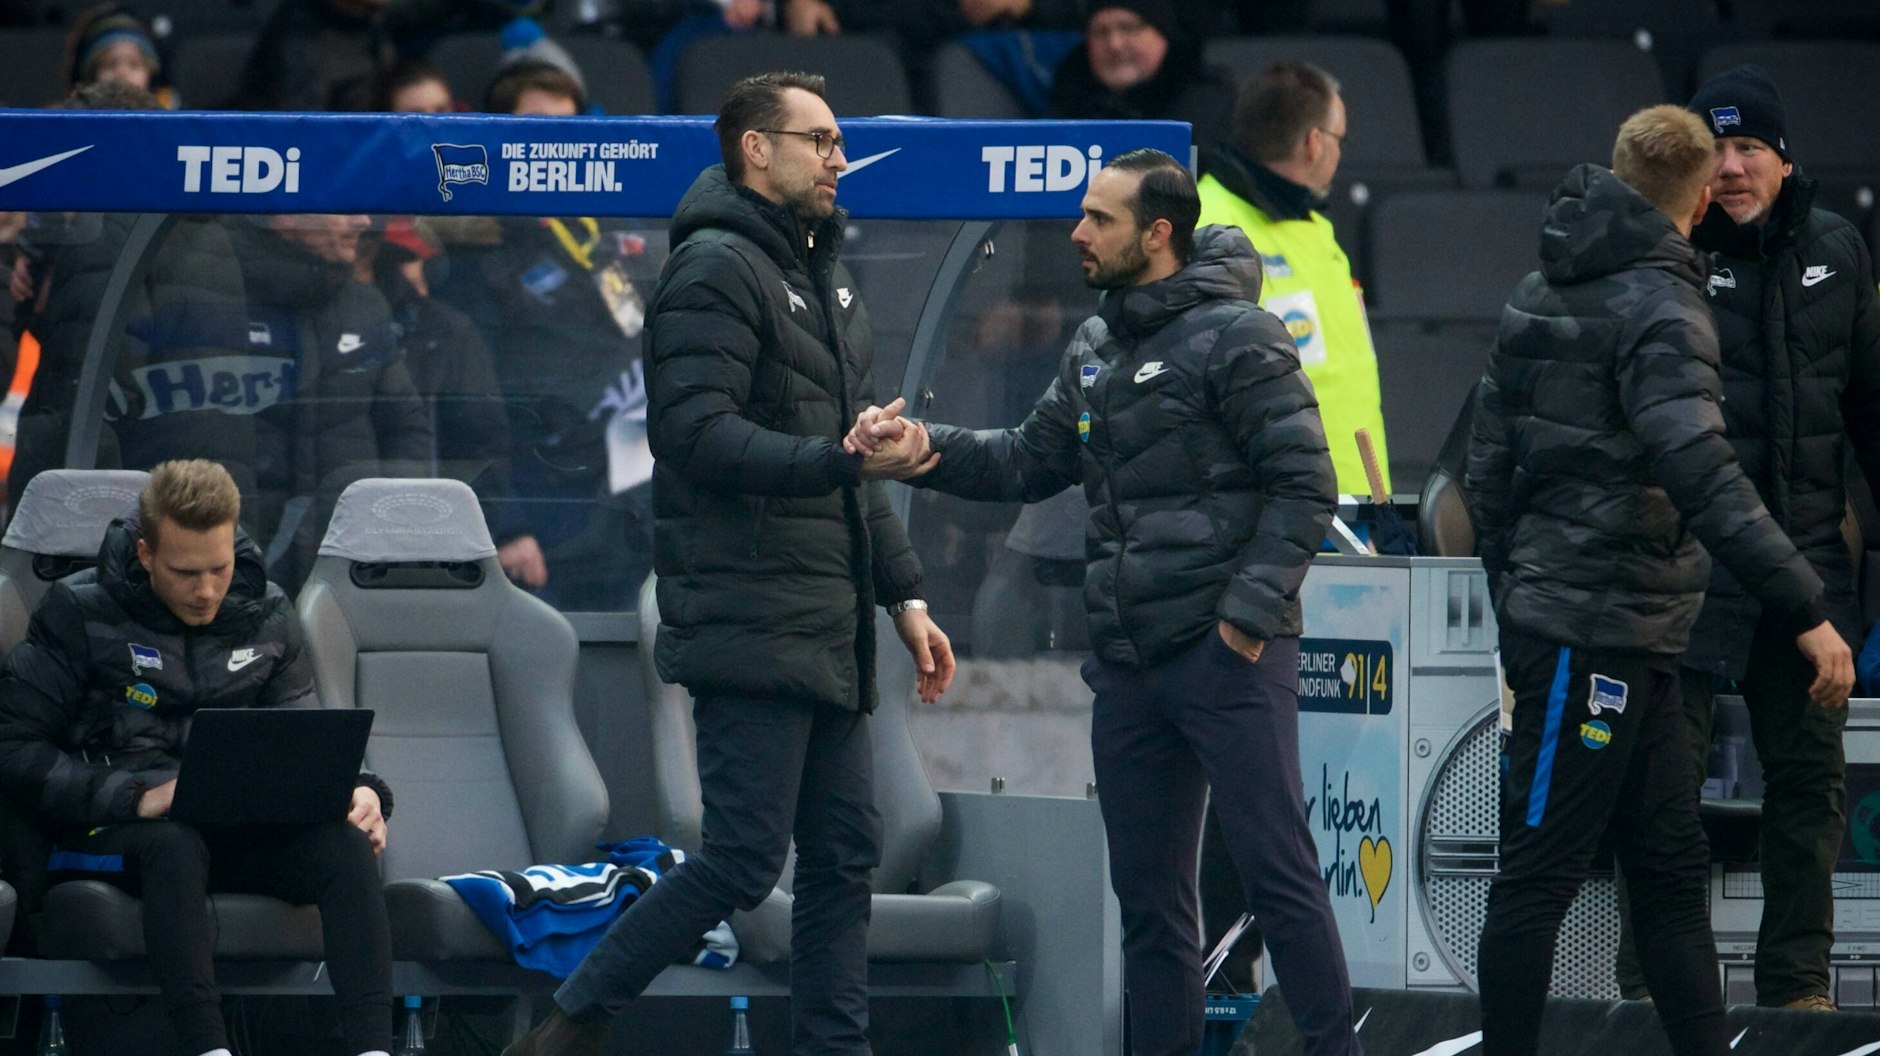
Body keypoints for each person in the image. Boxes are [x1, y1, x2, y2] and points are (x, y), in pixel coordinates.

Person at [853, 148, 1362, 1056]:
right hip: (1130, 665)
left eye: (1099, 219)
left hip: (1226, 656)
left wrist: (1243, 623)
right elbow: (1025, 458)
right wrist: (923, 448)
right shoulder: (1098, 342)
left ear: (1158, 234)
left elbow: (1305, 488)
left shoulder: (1242, 335)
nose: (1077, 233)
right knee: (1151, 905)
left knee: (1278, 874)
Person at [500, 72, 955, 1056]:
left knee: (843, 857)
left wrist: (904, 592)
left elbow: (857, 463)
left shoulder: (826, 276)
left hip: (830, 615)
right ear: (755, 149)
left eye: (839, 141)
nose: (839, 159)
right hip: (748, 607)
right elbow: (695, 436)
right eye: (819, 141)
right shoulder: (712, 267)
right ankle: (569, 1022)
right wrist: (831, 459)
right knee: (746, 860)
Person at [1464, 105, 1854, 1056]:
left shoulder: (1537, 285)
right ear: (1692, 202)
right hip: (1591, 637)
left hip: (1618, 637)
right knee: (1542, 875)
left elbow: (1485, 475)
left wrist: (1516, 606)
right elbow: (1704, 472)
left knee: (1671, 873)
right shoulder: (1665, 305)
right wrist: (1805, 603)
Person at [1612, 63, 1880, 1012]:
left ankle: (1798, 995)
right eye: (1714, 149)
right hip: (1679, 574)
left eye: (1748, 149)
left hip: (1805, 573)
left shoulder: (1841, 254)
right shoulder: (1660, 255)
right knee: (1661, 802)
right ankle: (1648, 998)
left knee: (1809, 799)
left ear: (1782, 158)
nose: (1729, 168)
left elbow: (1871, 416)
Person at [0, 459, 397, 1056]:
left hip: (234, 828)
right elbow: (13, 749)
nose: (207, 590)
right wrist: (137, 797)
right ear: (145, 552)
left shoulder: (267, 614)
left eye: (219, 567)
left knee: (342, 846)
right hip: (108, 833)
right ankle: (207, 1048)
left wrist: (361, 788)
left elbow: (306, 734)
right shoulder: (76, 613)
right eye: (187, 572)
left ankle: (374, 1048)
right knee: (174, 841)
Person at [1198, 59, 1389, 495]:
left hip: (1352, 503)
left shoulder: (1313, 225)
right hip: (1275, 513)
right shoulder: (1207, 224)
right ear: (1314, 143)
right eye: (1341, 139)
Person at [1047, 1, 1234, 173]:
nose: (1115, 44)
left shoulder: (1208, 100)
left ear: (1162, 32)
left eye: (1129, 28)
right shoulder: (1068, 99)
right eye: (1100, 32)